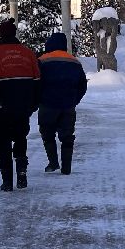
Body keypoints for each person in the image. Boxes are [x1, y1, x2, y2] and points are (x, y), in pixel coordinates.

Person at [0, 19, 41, 190]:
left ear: (0, 35)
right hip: (22, 107)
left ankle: (7, 181)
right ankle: (21, 173)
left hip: (0, 108)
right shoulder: (28, 53)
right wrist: (33, 104)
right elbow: (37, 80)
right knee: (20, 138)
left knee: (3, 143)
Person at [36, 31, 87, 174]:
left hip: (47, 105)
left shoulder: (42, 60)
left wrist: (38, 99)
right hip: (68, 105)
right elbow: (82, 85)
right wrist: (74, 100)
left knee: (47, 134)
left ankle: (53, 163)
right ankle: (67, 168)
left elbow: (36, 82)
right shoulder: (74, 61)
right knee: (67, 136)